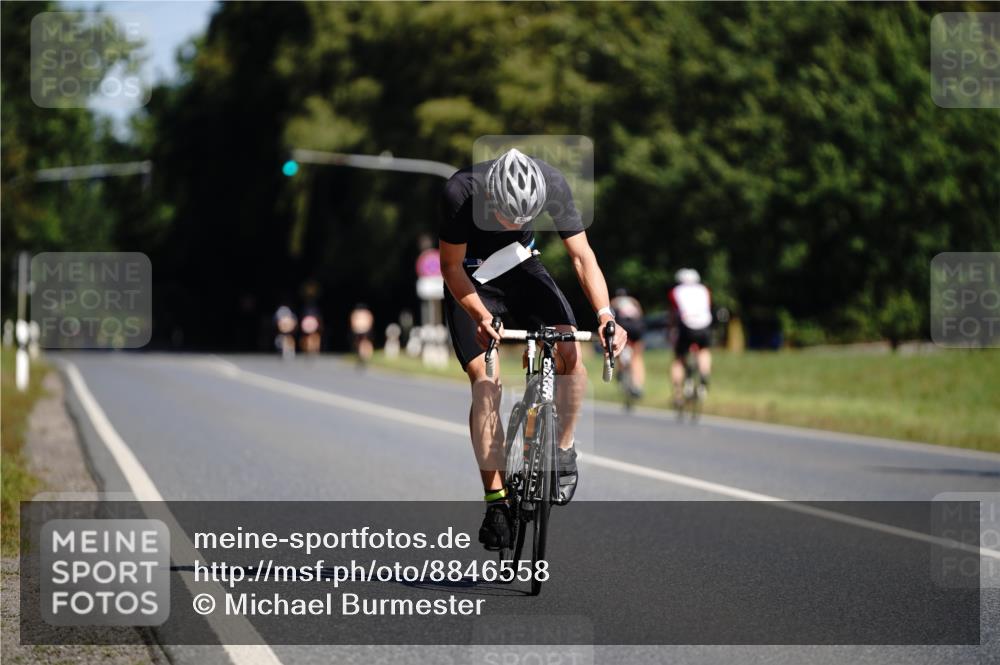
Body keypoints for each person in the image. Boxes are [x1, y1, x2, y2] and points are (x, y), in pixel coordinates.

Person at [439, 148, 627, 551]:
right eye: (508, 216)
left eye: (526, 217)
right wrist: (480, 316)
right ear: (491, 196)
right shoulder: (461, 190)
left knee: (570, 354)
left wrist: (605, 315)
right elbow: (450, 267)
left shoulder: (553, 183)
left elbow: (582, 256)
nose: (517, 224)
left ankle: (563, 448)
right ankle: (496, 501)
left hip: (521, 267)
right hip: (470, 278)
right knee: (485, 383)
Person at [668, 269, 712, 404]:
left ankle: (677, 394)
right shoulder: (704, 290)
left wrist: (670, 331)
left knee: (678, 359)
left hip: (686, 326)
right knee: (704, 351)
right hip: (704, 325)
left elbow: (674, 314)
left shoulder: (675, 291)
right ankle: (704, 375)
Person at [610, 288, 646, 398]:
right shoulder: (633, 301)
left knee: (618, 351)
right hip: (636, 326)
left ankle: (620, 371)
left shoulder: (613, 302)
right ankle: (638, 386)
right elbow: (640, 315)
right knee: (637, 356)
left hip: (623, 324)